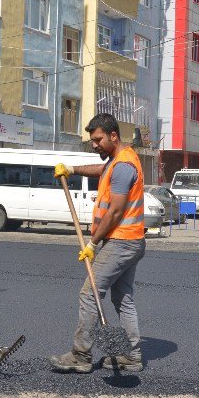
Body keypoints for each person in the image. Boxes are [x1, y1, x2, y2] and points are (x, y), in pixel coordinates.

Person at [50, 113, 146, 374]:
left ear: (113, 136)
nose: (94, 145)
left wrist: (92, 243)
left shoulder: (124, 166)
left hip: (121, 241)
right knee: (123, 299)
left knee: (89, 293)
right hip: (131, 241)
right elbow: (101, 170)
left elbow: (115, 212)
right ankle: (132, 355)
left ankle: (81, 355)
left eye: (98, 140)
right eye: (92, 140)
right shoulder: (118, 161)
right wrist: (72, 170)